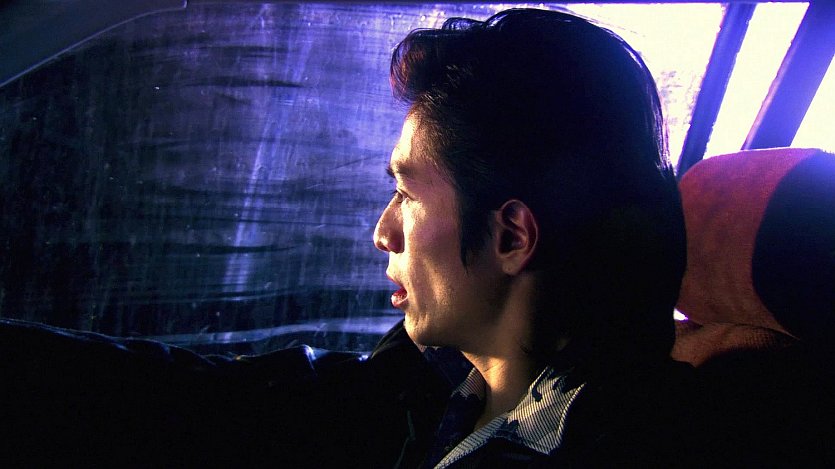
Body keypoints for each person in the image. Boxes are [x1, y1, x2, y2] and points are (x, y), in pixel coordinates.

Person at [367, 8, 698, 468]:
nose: (383, 234)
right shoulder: (426, 376)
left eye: (406, 194)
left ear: (512, 237)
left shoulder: (621, 446)